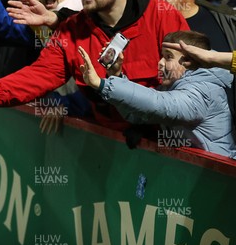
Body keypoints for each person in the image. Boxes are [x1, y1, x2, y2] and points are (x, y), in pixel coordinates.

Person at [0, 0, 189, 132]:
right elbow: (40, 75)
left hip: (163, 142)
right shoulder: (73, 28)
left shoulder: (162, 16)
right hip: (105, 139)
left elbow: (189, 86)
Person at [80, 31, 236, 159]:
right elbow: (136, 115)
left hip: (219, 177)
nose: (160, 62)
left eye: (168, 57)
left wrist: (102, 85)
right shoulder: (172, 89)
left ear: (190, 62)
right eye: (162, 56)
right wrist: (116, 75)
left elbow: (160, 105)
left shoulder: (203, 92)